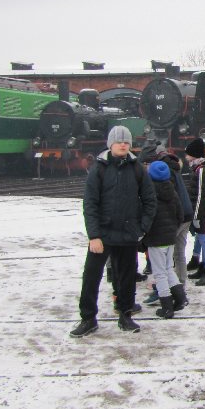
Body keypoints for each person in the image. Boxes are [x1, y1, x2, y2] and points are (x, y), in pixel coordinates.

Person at [70, 126, 156, 337]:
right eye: (119, 142)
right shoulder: (99, 169)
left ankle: (125, 314)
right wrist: (94, 235)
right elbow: (90, 204)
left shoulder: (137, 169)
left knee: (127, 277)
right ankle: (88, 318)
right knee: (91, 276)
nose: (123, 145)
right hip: (103, 234)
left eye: (126, 142)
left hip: (128, 234)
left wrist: (142, 228)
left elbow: (150, 200)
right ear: (111, 144)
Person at [139, 143, 193, 306]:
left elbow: (152, 213)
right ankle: (180, 291)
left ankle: (164, 297)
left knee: (161, 267)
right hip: (182, 217)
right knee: (175, 258)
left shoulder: (155, 187)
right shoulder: (171, 169)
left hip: (163, 230)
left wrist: (144, 231)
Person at [184, 137, 205, 286]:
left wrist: (196, 215)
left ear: (194, 154)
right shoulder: (199, 168)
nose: (186, 156)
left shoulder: (201, 170)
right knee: (202, 239)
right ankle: (203, 267)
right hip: (202, 210)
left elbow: (200, 194)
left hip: (202, 211)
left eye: (188, 153)